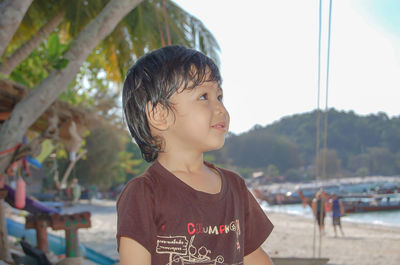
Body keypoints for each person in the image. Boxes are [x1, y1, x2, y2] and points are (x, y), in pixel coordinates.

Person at [117, 45, 274, 265]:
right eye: (204, 97)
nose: (221, 109)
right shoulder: (144, 193)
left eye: (219, 96)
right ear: (159, 115)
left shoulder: (234, 186)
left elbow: (253, 256)